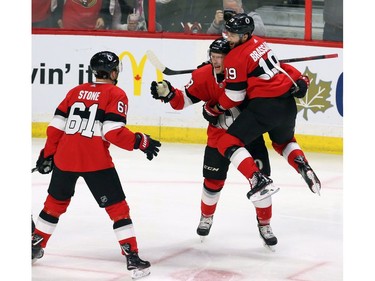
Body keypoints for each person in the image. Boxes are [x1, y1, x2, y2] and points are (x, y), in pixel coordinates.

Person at [31, 51, 161, 279]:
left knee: (53, 204)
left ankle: (33, 247)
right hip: (95, 161)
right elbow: (113, 132)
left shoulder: (74, 91)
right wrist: (141, 141)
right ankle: (132, 258)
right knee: (117, 209)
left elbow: (55, 128)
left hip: (65, 157)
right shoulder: (116, 93)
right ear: (113, 73)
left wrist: (47, 155)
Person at [149, 38, 277, 249]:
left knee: (261, 184)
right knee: (212, 183)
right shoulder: (202, 76)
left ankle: (265, 225)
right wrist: (169, 93)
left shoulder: (246, 72)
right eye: (213, 57)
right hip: (219, 138)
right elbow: (183, 100)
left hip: (249, 135)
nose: (216, 62)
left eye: (221, 58)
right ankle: (206, 216)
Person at [202, 13, 321, 203]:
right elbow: (279, 69)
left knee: (226, 143)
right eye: (228, 33)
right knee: (283, 143)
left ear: (244, 36)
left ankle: (258, 180)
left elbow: (235, 96)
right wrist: (301, 79)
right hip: (287, 105)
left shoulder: (235, 57)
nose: (228, 38)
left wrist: (214, 108)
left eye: (233, 35)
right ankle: (302, 165)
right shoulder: (260, 43)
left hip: (265, 107)